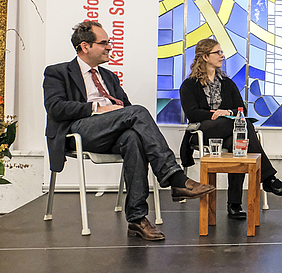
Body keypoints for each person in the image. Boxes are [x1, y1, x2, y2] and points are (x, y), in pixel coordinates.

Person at [43, 21, 215, 241]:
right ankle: (175, 178)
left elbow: (128, 111)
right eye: (104, 43)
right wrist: (96, 107)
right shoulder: (57, 72)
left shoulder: (109, 77)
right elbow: (55, 108)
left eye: (109, 42)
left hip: (110, 131)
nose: (109, 47)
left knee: (133, 137)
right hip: (79, 129)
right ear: (85, 46)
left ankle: (137, 218)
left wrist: (116, 113)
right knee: (137, 113)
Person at [179, 39, 282, 219]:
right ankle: (269, 179)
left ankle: (235, 205)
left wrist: (227, 112)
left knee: (240, 142)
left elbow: (241, 109)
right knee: (244, 125)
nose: (222, 55)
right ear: (205, 56)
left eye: (221, 52)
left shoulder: (227, 83)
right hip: (202, 131)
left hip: (227, 131)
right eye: (217, 52)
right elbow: (192, 114)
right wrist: (215, 114)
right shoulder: (189, 85)